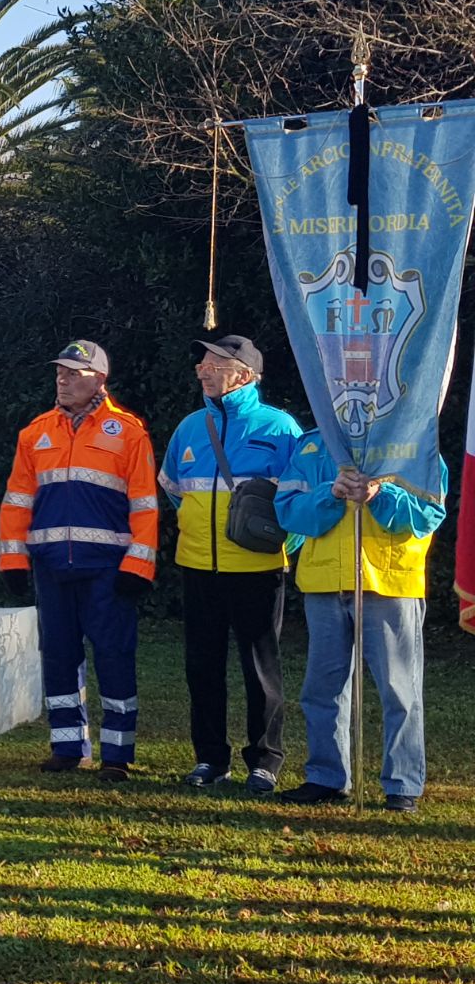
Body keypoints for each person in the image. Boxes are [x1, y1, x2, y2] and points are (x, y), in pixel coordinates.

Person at [0, 340, 158, 781]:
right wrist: (12, 559)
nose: (63, 380)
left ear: (99, 380)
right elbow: (16, 502)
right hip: (52, 568)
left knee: (114, 656)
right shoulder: (35, 432)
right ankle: (68, 747)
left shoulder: (129, 432)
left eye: (73, 373)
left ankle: (118, 754)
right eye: (60, 373)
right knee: (59, 656)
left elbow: (145, 506)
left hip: (108, 570)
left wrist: (139, 566)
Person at [157, 336, 303, 793]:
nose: (202, 367)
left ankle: (265, 761)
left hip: (258, 570)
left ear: (244, 373)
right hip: (198, 565)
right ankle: (210, 759)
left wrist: (280, 548)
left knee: (261, 669)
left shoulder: (280, 428)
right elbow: (172, 488)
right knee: (202, 666)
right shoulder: (189, 427)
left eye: (214, 362)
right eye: (202, 360)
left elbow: (299, 497)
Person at [275, 434, 447, 812]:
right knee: (322, 689)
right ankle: (326, 777)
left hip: (388, 584)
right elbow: (287, 511)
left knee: (398, 689)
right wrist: (330, 494)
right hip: (325, 583)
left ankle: (403, 783)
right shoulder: (313, 445)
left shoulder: (412, 439)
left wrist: (379, 496)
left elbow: (429, 513)